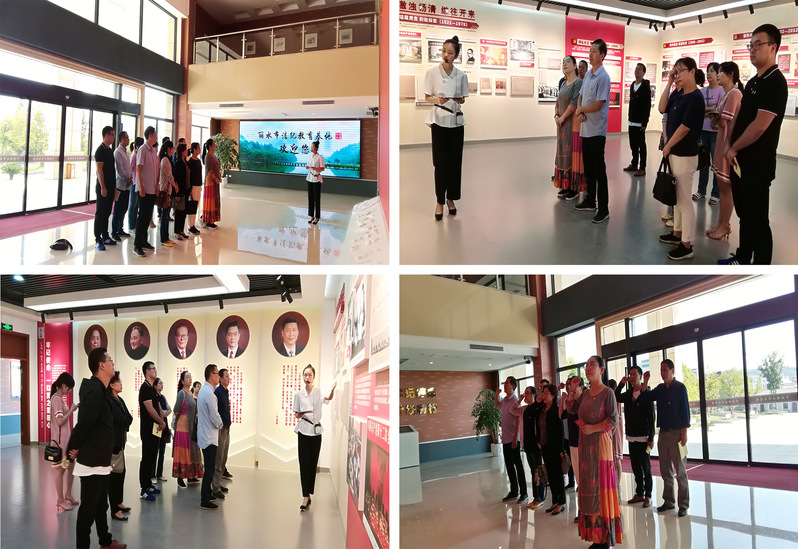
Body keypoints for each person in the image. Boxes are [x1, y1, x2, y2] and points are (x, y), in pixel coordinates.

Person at [721, 23, 788, 265]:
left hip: (757, 165)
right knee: (745, 215)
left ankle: (761, 265)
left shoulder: (776, 82)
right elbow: (740, 116)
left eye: (758, 45)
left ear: (773, 47)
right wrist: (729, 142)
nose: (752, 50)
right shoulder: (753, 82)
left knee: (758, 219)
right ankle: (742, 257)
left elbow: (760, 125)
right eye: (750, 45)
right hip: (740, 162)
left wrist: (733, 148)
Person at [65, 348, 126, 549]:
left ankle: (105, 541)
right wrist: (71, 449)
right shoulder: (95, 391)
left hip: (100, 460)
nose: (113, 363)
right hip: (92, 462)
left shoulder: (101, 389)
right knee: (88, 511)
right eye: (110, 360)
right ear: (102, 365)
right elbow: (84, 423)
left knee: (101, 505)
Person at [566, 356, 622, 548]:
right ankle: (595, 536)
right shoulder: (585, 394)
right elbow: (570, 408)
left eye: (592, 365)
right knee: (588, 487)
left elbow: (613, 419)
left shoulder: (608, 393)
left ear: (602, 370)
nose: (588, 368)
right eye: (587, 365)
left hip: (600, 446)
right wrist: (573, 390)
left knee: (601, 488)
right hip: (585, 446)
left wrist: (593, 428)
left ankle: (604, 538)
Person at [658, 57, 704, 261]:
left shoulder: (696, 97)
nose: (677, 74)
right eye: (675, 71)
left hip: (685, 155)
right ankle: (677, 233)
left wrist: (668, 145)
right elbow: (661, 108)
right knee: (676, 199)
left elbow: (685, 128)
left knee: (684, 201)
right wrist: (669, 82)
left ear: (692, 72)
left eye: (680, 71)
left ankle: (687, 244)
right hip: (674, 154)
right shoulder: (678, 94)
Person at [638, 359, 691, 517]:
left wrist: (684, 432)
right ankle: (669, 501)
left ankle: (683, 504)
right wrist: (645, 381)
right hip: (663, 433)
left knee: (680, 471)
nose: (662, 373)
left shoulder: (680, 387)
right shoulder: (660, 389)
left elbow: (685, 410)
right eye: (661, 370)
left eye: (665, 370)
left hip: (677, 433)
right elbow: (645, 397)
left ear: (672, 371)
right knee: (665, 469)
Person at [423, 35, 468, 221]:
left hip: (456, 122)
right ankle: (439, 201)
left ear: (456, 55)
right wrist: (437, 99)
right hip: (439, 120)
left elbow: (463, 99)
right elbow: (427, 97)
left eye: (450, 52)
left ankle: (451, 199)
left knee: (455, 163)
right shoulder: (432, 73)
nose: (445, 55)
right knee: (440, 163)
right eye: (443, 51)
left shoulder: (461, 75)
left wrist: (458, 99)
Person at [574, 39, 611, 224]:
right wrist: (580, 110)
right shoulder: (588, 74)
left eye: (594, 51)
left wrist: (581, 110)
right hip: (585, 129)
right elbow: (581, 96)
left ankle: (604, 208)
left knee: (599, 170)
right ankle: (590, 200)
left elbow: (598, 104)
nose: (590, 54)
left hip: (597, 130)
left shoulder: (603, 77)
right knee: (588, 168)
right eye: (590, 51)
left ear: (602, 55)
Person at [707, 62, 744, 240]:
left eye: (720, 72)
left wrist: (717, 116)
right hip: (721, 143)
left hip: (726, 145)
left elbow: (722, 121)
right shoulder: (725, 95)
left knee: (726, 188)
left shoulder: (735, 94)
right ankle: (720, 222)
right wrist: (717, 117)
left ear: (730, 74)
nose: (717, 75)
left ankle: (725, 225)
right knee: (721, 186)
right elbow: (717, 121)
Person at [293, 364, 336, 510]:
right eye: (305, 375)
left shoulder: (318, 392)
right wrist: (300, 414)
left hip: (316, 432)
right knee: (304, 464)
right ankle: (305, 496)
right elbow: (296, 414)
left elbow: (328, 397)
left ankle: (309, 492)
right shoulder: (298, 394)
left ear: (314, 377)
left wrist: (332, 390)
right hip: (303, 431)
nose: (307, 377)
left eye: (310, 375)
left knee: (312, 464)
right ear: (302, 376)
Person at [615, 366, 655, 509]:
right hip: (631, 437)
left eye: (634, 374)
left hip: (644, 437)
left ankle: (648, 495)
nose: (631, 377)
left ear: (640, 376)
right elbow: (616, 396)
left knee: (646, 467)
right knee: (636, 467)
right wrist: (621, 383)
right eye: (630, 374)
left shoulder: (646, 393)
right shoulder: (628, 393)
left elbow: (652, 417)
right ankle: (639, 493)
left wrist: (651, 438)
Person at [553, 56, 584, 201]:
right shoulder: (563, 83)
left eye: (568, 62)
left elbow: (574, 103)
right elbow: (558, 101)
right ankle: (565, 185)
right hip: (561, 125)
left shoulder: (578, 83)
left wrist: (562, 118)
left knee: (571, 153)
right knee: (562, 152)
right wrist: (556, 116)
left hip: (572, 125)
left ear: (575, 66)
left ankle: (574, 187)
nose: (564, 64)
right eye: (563, 62)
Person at [511, 386, 546, 509]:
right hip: (527, 444)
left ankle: (540, 497)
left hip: (536, 445)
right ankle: (535, 497)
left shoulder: (537, 408)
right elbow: (512, 410)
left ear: (533, 395)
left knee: (538, 472)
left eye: (527, 393)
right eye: (524, 393)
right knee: (532, 471)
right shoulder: (524, 409)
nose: (525, 395)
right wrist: (519, 400)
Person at [494, 376, 528, 504]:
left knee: (518, 466)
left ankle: (524, 493)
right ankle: (514, 491)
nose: (504, 385)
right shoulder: (505, 400)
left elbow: (518, 420)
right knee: (509, 466)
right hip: (505, 439)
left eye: (507, 383)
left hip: (514, 439)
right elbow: (496, 405)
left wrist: (515, 438)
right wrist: (496, 395)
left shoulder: (514, 400)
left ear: (512, 386)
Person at [694, 62, 723, 204]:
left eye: (712, 71)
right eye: (708, 70)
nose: (709, 73)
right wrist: (711, 109)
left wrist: (707, 110)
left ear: (718, 74)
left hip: (715, 132)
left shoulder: (721, 90)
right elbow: (698, 110)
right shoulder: (702, 91)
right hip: (702, 130)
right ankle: (701, 191)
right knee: (703, 162)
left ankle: (716, 193)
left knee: (716, 164)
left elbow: (720, 110)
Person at [50, 372, 78, 512]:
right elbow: (60, 421)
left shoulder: (60, 399)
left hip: (66, 442)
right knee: (60, 470)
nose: (69, 391)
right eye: (69, 388)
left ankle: (68, 494)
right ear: (63, 385)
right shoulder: (56, 400)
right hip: (60, 443)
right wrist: (71, 410)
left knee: (70, 466)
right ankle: (60, 499)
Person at [107, 370, 132, 522]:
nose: (121, 384)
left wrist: (125, 421)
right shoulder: (110, 400)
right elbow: (123, 420)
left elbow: (128, 417)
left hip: (120, 442)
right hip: (113, 443)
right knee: (114, 477)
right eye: (119, 381)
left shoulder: (119, 399)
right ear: (111, 384)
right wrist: (125, 421)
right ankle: (114, 510)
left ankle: (118, 502)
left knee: (121, 473)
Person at [197, 364, 223, 510]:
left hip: (205, 434)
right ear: (211, 375)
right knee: (209, 469)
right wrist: (221, 424)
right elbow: (214, 416)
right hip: (209, 437)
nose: (219, 376)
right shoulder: (210, 395)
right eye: (217, 374)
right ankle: (204, 499)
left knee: (209, 467)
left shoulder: (203, 390)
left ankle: (207, 493)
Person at [138, 361, 165, 501]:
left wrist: (162, 421)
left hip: (156, 430)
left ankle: (149, 484)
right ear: (147, 371)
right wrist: (160, 421)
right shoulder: (145, 388)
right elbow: (150, 409)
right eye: (153, 368)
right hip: (148, 430)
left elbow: (158, 407)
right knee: (147, 458)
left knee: (153, 457)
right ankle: (143, 489)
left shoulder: (152, 388)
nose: (155, 370)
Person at [537, 384, 566, 515]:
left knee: (557, 475)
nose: (544, 395)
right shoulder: (542, 410)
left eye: (547, 393)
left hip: (555, 447)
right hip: (544, 446)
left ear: (553, 396)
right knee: (550, 475)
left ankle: (562, 502)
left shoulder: (556, 410)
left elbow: (560, 432)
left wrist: (561, 449)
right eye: (543, 393)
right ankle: (554, 500)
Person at [172, 371, 203, 488]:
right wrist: (184, 416)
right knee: (183, 452)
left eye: (190, 377)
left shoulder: (190, 393)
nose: (190, 379)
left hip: (191, 426)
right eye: (187, 377)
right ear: (182, 381)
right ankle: (180, 478)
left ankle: (190, 476)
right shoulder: (182, 393)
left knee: (191, 451)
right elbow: (176, 410)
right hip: (182, 427)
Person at [559, 376, 584, 522]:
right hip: (572, 443)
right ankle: (582, 511)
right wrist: (565, 397)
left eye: (573, 384)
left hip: (584, 444)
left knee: (585, 480)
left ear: (581, 387)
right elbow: (562, 414)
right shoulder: (570, 402)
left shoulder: (584, 400)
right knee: (580, 481)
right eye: (569, 384)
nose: (570, 387)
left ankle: (587, 511)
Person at [134, 126, 159, 257]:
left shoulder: (153, 151)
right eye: (155, 135)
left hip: (152, 189)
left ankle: (144, 242)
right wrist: (141, 187)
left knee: (147, 216)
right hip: (144, 189)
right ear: (150, 136)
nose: (156, 137)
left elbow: (154, 170)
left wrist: (156, 186)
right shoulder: (142, 149)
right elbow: (138, 168)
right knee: (142, 217)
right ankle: (137, 245)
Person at [624, 63, 651, 177]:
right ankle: (634, 164)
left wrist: (645, 123)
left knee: (641, 145)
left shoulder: (645, 87)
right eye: (636, 68)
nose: (637, 71)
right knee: (633, 144)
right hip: (632, 121)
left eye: (640, 69)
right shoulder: (632, 85)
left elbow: (647, 106)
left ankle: (642, 167)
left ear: (643, 73)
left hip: (640, 122)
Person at [93, 125, 117, 251]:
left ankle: (105, 236)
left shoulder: (110, 150)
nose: (113, 137)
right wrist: (103, 187)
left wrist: (114, 185)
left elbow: (111, 170)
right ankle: (97, 239)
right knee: (100, 212)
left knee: (107, 212)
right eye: (112, 135)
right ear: (106, 135)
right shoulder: (100, 151)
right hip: (103, 188)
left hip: (111, 186)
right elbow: (99, 170)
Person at [211, 368, 232, 500]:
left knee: (224, 458)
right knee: (218, 459)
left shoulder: (225, 391)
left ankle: (218, 483)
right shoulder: (217, 392)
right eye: (226, 376)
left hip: (227, 428)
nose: (228, 379)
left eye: (229, 377)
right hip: (221, 429)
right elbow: (216, 412)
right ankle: (215, 488)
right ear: (220, 378)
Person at [111, 131, 132, 240]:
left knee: (124, 208)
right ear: (122, 139)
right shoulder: (117, 152)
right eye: (127, 137)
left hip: (127, 185)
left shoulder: (126, 152)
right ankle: (114, 232)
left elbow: (128, 167)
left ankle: (120, 229)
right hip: (120, 185)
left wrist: (130, 178)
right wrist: (126, 178)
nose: (128, 139)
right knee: (118, 209)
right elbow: (119, 169)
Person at [157, 140, 178, 247]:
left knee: (166, 215)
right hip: (165, 190)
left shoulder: (168, 159)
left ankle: (166, 237)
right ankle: (163, 239)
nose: (174, 149)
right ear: (169, 149)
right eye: (172, 147)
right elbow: (169, 176)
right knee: (164, 215)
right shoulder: (165, 160)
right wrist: (175, 186)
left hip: (168, 191)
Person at [151, 378, 171, 483]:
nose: (162, 385)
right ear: (155, 386)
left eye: (162, 383)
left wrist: (164, 413)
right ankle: (152, 475)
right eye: (160, 383)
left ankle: (159, 474)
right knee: (155, 451)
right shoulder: (154, 397)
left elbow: (169, 409)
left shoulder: (163, 397)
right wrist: (162, 413)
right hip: (157, 426)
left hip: (165, 426)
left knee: (162, 452)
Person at [172, 142, 190, 241]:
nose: (187, 151)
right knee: (178, 211)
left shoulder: (185, 162)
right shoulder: (178, 163)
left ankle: (181, 230)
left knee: (184, 211)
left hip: (186, 189)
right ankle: (176, 231)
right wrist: (177, 193)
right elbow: (176, 179)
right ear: (182, 151)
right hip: (180, 190)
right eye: (186, 150)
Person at [201, 138, 222, 230]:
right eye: (214, 144)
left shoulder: (213, 156)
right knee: (211, 201)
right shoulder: (208, 156)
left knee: (215, 200)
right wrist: (216, 179)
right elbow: (209, 170)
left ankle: (212, 219)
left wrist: (219, 178)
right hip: (210, 182)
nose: (215, 146)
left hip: (215, 181)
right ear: (210, 146)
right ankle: (209, 221)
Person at [305, 141, 325, 224]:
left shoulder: (320, 157)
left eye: (313, 147)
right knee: (310, 198)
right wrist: (307, 167)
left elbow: (323, 168)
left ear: (316, 148)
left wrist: (315, 168)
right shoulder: (310, 156)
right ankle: (311, 216)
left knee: (317, 199)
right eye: (311, 147)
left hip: (317, 179)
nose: (311, 148)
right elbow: (308, 166)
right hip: (310, 178)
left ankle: (317, 217)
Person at [127, 137, 144, 233]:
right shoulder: (134, 156)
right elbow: (130, 169)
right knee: (132, 205)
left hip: (137, 183)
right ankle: (131, 225)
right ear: (137, 146)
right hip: (134, 183)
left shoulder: (138, 155)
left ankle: (134, 224)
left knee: (136, 205)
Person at [186, 142, 203, 235]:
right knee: (192, 205)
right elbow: (189, 176)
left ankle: (193, 224)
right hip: (193, 186)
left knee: (196, 205)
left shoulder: (198, 160)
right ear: (194, 149)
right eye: (198, 148)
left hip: (198, 185)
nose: (199, 150)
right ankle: (190, 226)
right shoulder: (190, 161)